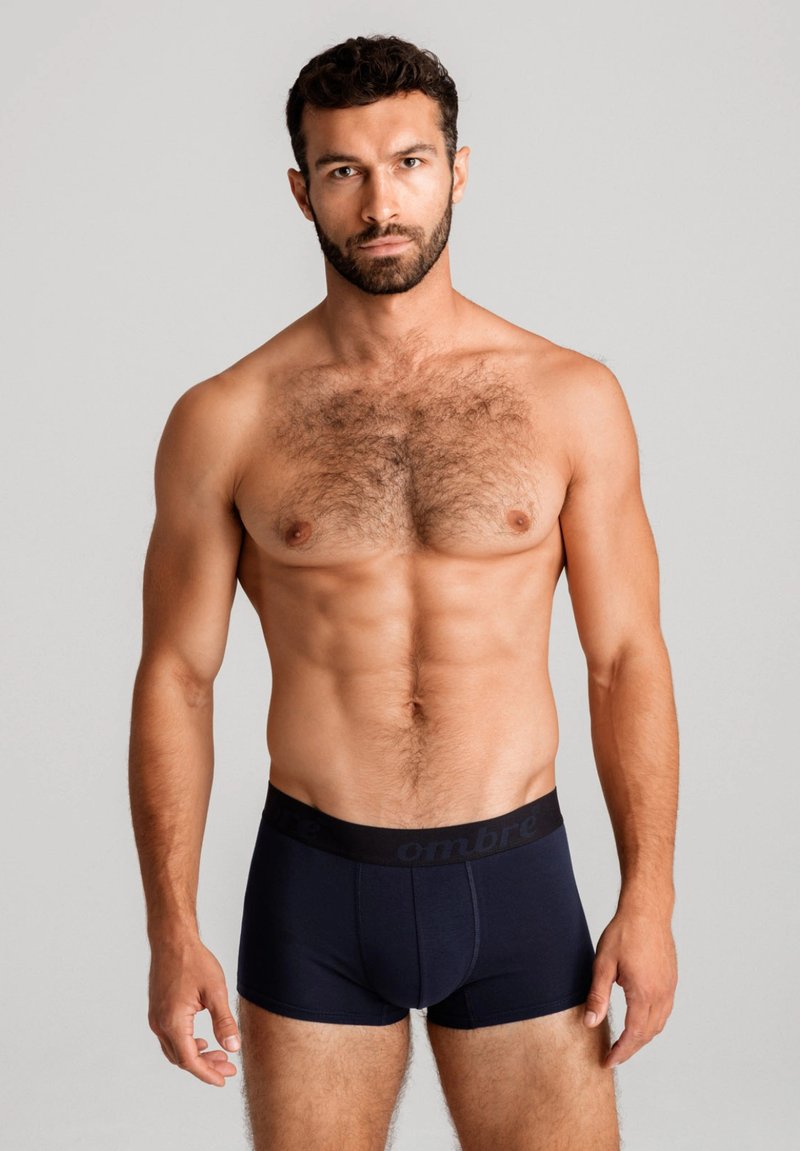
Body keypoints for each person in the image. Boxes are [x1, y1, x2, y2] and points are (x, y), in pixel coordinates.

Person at [128, 33, 679, 1151]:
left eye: (409, 164)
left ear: (457, 171)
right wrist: (170, 927)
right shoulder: (227, 417)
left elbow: (624, 657)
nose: (380, 203)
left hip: (517, 877)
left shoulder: (569, 397)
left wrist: (649, 896)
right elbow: (177, 675)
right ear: (302, 191)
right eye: (344, 171)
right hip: (316, 885)